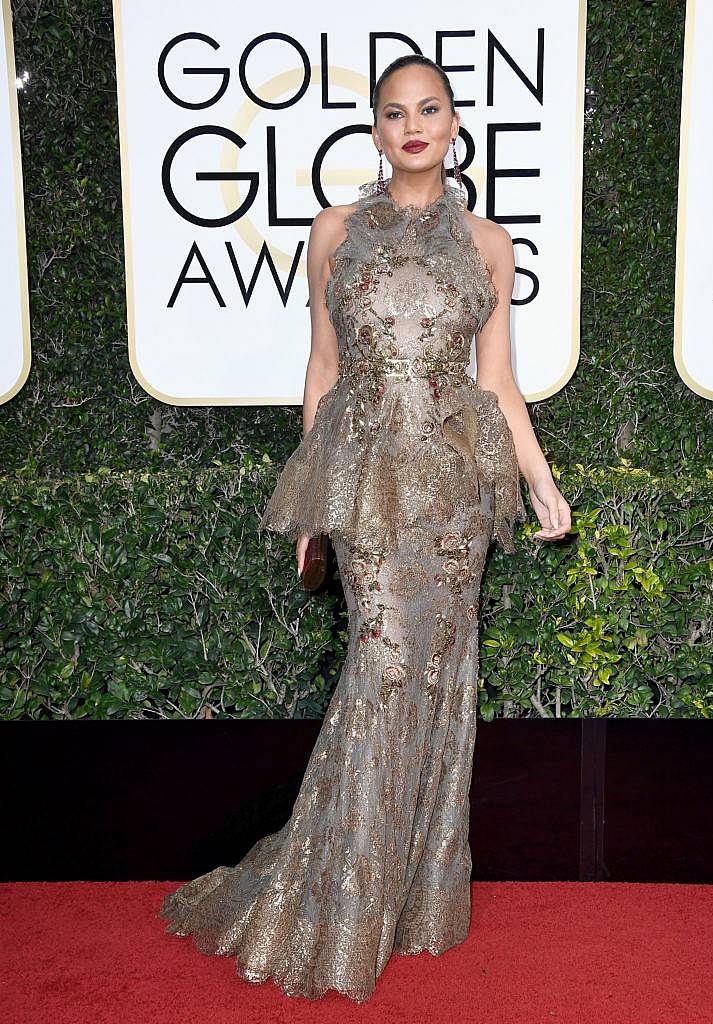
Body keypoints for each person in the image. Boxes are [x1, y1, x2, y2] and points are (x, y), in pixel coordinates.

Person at [158, 55, 571, 1004]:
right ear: (376, 131)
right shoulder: (333, 232)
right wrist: (316, 502)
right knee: (383, 666)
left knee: (439, 674)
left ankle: (416, 897)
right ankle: (339, 899)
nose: (413, 125)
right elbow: (320, 373)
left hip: (456, 489)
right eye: (394, 113)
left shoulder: (489, 242)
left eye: (429, 109)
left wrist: (540, 483)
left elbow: (496, 382)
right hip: (368, 480)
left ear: (455, 122)